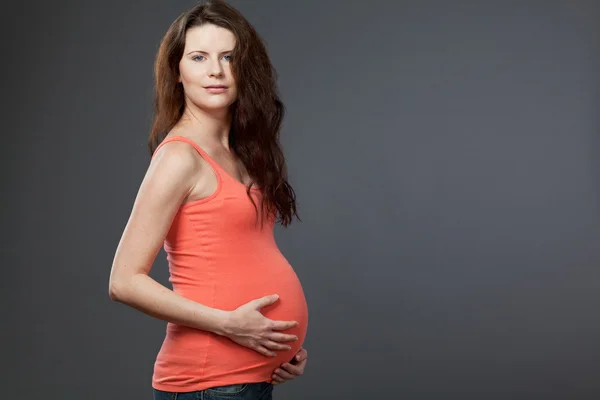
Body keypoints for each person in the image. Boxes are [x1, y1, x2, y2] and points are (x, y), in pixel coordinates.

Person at [108, 1, 309, 399]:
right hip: (209, 382)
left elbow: (241, 252)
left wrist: (282, 350)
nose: (215, 71)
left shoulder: (240, 150)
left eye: (229, 57)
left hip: (247, 377)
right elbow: (123, 281)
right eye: (198, 57)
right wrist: (230, 324)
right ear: (177, 71)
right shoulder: (179, 156)